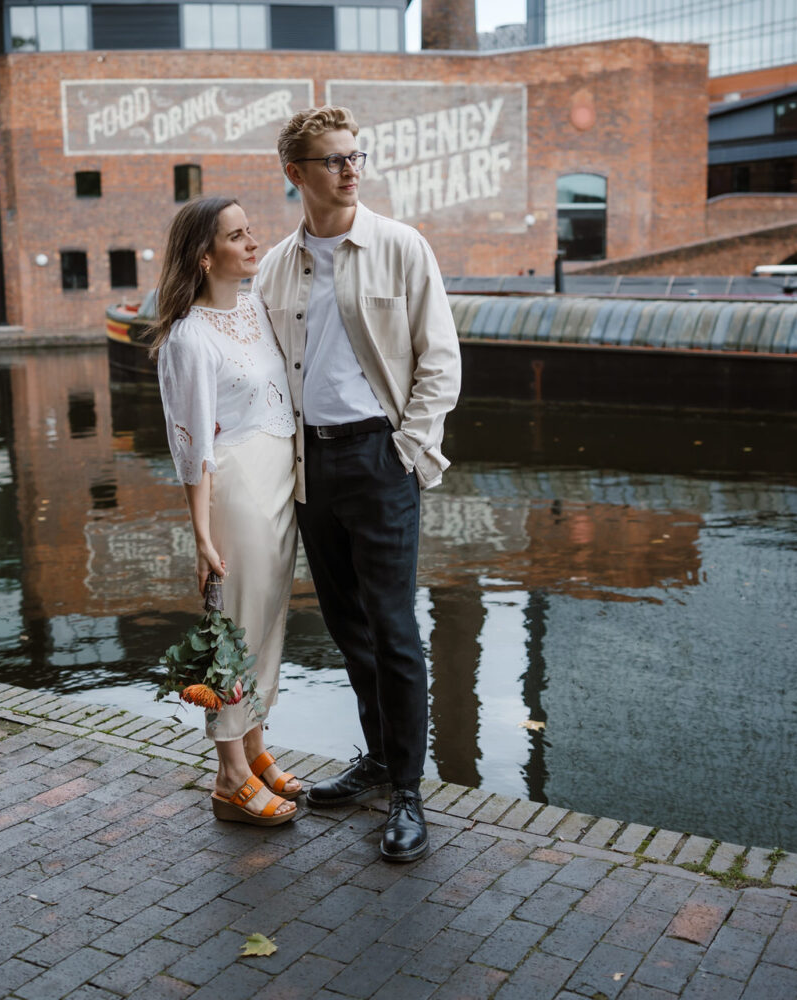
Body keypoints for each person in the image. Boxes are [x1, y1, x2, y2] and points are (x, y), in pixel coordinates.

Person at [255, 107, 461, 860]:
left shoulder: (402, 248)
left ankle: (407, 790)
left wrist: (408, 448)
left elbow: (439, 360)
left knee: (394, 628)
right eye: (334, 159)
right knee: (347, 628)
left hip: (380, 459)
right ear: (296, 173)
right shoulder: (278, 265)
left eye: (356, 156)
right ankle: (376, 763)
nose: (351, 169)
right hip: (309, 466)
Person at [153, 196, 302, 827]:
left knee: (269, 622)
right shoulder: (190, 337)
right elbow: (191, 447)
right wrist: (202, 537)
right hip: (236, 490)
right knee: (232, 633)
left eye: (251, 231)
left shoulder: (254, 309)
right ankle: (228, 776)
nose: (251, 243)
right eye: (237, 237)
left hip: (280, 484)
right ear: (204, 254)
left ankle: (257, 748)